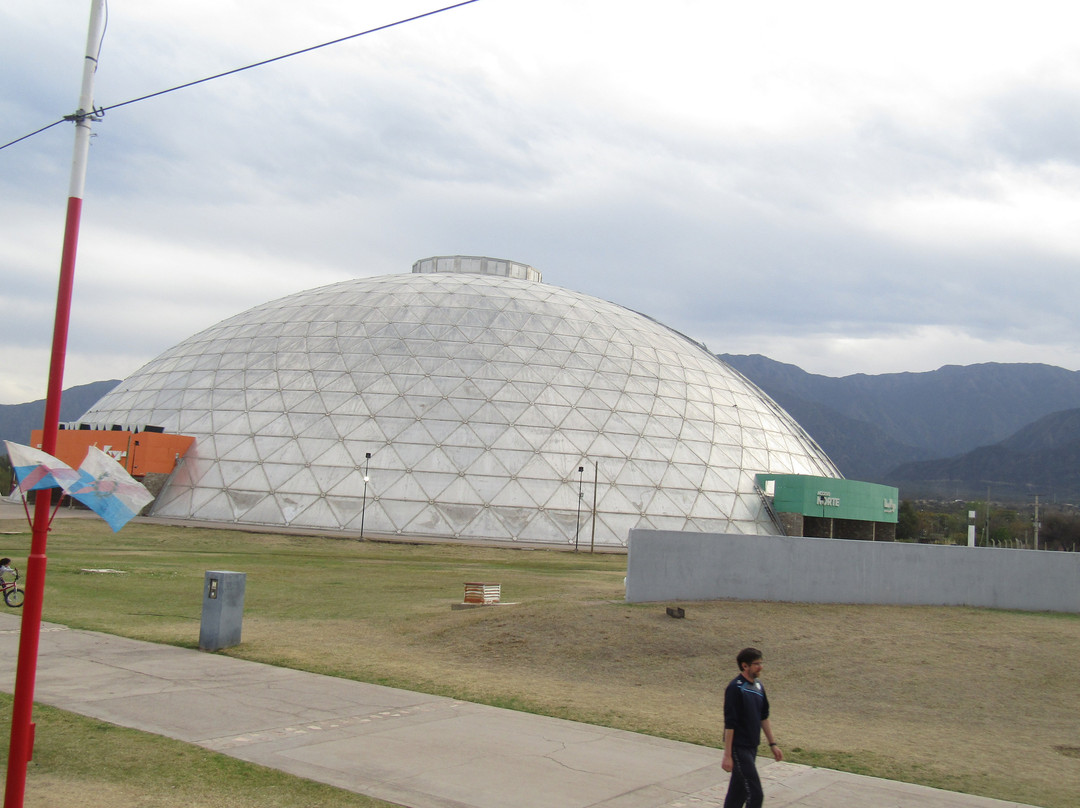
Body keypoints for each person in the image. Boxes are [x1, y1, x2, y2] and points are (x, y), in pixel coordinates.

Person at [721, 647, 782, 808]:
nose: (760, 667)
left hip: (752, 746)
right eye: (756, 664)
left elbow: (764, 716)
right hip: (739, 748)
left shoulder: (759, 686)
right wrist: (727, 755)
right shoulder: (735, 688)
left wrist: (773, 744)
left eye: (761, 663)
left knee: (737, 793)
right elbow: (730, 724)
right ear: (745, 665)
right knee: (755, 794)